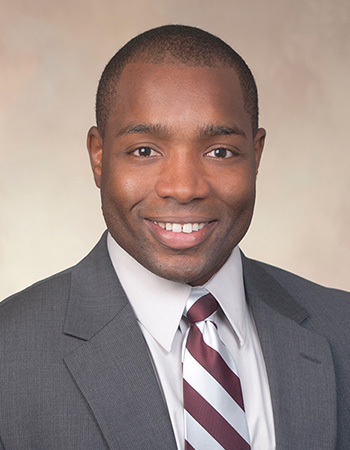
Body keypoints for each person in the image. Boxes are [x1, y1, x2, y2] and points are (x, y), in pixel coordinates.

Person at [0, 25, 349, 450]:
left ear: (255, 156)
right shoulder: (9, 353)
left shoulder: (341, 328)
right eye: (145, 150)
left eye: (220, 151)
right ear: (98, 155)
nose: (183, 188)